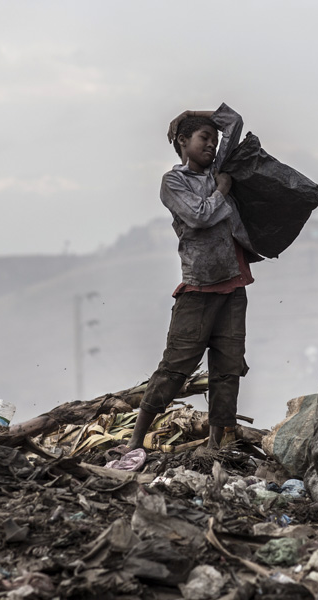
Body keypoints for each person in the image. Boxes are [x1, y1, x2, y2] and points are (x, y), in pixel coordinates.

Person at [126, 104, 260, 449]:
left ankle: (218, 447)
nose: (212, 145)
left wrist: (190, 111)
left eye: (215, 140)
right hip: (199, 288)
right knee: (174, 368)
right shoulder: (173, 181)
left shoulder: (216, 168)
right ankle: (134, 441)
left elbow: (234, 121)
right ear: (183, 142)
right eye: (204, 138)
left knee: (227, 371)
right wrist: (222, 190)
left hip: (233, 283)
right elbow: (199, 216)